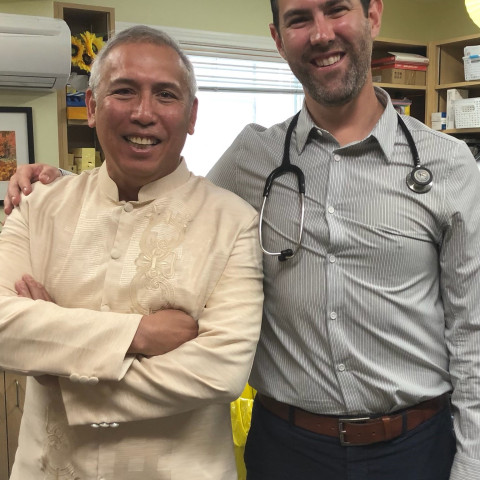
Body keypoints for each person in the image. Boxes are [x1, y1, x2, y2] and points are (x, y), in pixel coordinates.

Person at [5, 1, 480, 479]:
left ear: (373, 15)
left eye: (336, 10)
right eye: (298, 19)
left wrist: (472, 465)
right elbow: (167, 193)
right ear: (277, 37)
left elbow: (472, 335)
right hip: (288, 449)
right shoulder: (254, 157)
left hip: (413, 447)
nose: (320, 34)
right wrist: (62, 186)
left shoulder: (449, 164)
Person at [0, 25, 264, 480]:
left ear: (192, 114)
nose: (144, 113)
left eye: (166, 95)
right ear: (93, 107)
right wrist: (138, 334)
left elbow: (219, 371)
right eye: (124, 91)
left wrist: (56, 362)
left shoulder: (234, 222)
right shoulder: (38, 205)